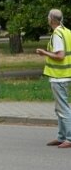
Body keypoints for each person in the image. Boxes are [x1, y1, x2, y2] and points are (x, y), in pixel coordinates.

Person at [36, 9, 71, 148]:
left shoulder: (57, 34)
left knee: (63, 108)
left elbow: (60, 55)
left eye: (48, 17)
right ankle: (62, 136)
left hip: (59, 76)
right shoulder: (67, 31)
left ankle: (68, 138)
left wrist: (44, 52)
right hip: (66, 74)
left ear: (52, 19)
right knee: (60, 108)